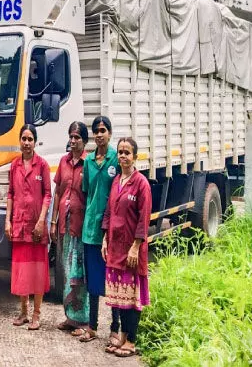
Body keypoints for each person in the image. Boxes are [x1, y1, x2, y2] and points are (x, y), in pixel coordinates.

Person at [102, 137, 151, 357]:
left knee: (131, 299)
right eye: (120, 152)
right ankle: (122, 337)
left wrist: (135, 247)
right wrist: (105, 238)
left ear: (135, 157)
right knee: (119, 297)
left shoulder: (141, 184)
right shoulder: (116, 181)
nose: (123, 156)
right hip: (115, 248)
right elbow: (109, 212)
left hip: (132, 250)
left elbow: (144, 218)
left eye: (127, 152)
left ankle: (131, 340)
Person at [78, 115, 121, 344]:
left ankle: (115, 328)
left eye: (103, 130)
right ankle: (92, 327)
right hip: (91, 230)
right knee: (93, 281)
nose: (99, 134)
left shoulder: (116, 158)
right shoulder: (88, 161)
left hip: (112, 231)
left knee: (113, 280)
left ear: (110, 133)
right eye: (96, 131)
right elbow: (87, 192)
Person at [5, 124, 51, 330]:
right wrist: (7, 220)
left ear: (35, 142)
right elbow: (11, 194)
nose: (26, 143)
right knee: (22, 271)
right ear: (19, 141)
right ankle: (24, 312)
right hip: (19, 225)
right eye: (23, 139)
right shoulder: (14, 165)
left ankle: (36, 314)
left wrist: (42, 221)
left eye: (30, 139)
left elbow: (48, 195)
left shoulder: (42, 165)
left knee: (38, 271)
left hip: (36, 228)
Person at [51, 122, 89, 334]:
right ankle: (69, 317)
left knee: (79, 275)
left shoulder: (88, 164)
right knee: (66, 271)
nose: (73, 141)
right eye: (71, 137)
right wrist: (53, 221)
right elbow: (58, 192)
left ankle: (82, 321)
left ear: (84, 141)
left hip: (80, 227)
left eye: (77, 137)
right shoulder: (63, 162)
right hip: (64, 226)